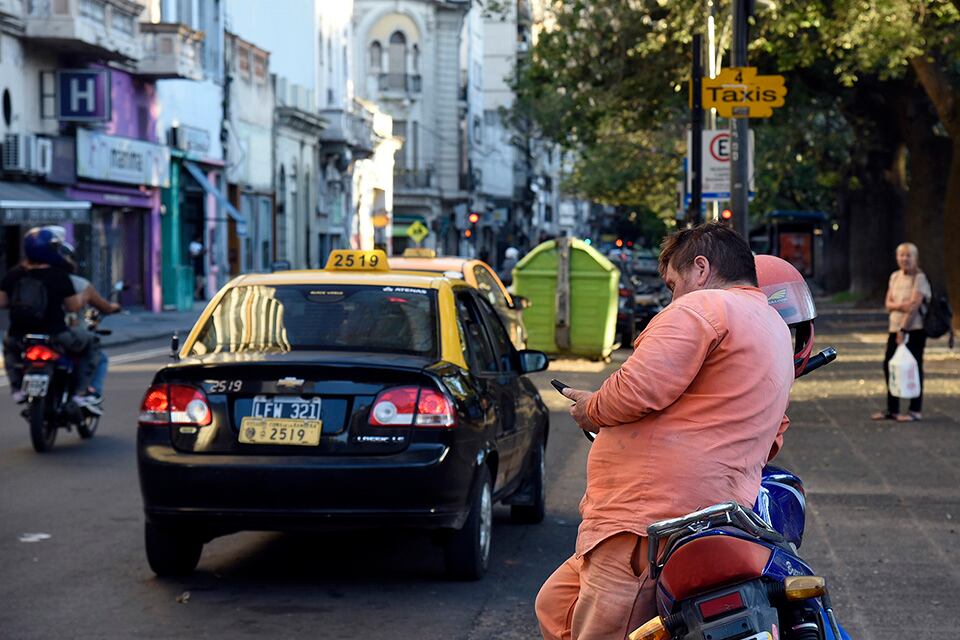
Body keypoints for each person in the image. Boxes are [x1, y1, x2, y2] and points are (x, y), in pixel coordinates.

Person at [534, 224, 795, 640]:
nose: (672, 297)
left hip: (647, 518)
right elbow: (773, 436)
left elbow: (637, 389)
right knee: (556, 604)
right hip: (702, 514)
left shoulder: (702, 307)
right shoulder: (775, 328)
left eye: (674, 283)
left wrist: (591, 409)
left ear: (701, 268)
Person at [0, 226, 95, 407]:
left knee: (8, 348)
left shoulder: (14, 274)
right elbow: (73, 306)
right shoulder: (58, 274)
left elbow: (2, 302)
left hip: (20, 336)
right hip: (56, 335)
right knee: (91, 343)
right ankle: (81, 392)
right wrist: (83, 297)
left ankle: (16, 388)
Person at [872, 242, 931, 423]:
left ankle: (915, 410)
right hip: (894, 328)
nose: (904, 259)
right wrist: (900, 306)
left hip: (914, 330)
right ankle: (893, 409)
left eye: (908, 255)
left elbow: (914, 306)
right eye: (901, 255)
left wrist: (904, 329)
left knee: (914, 368)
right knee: (890, 366)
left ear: (915, 258)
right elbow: (888, 303)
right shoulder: (895, 276)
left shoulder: (919, 278)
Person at [63, 251, 121, 402]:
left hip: (44, 334)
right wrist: (113, 307)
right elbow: (105, 307)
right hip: (69, 335)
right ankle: (86, 392)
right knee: (98, 354)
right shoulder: (80, 284)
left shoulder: (37, 280)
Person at [189, 235, 205, 300]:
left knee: (202, 283)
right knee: (198, 283)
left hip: (201, 267)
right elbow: (192, 255)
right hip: (196, 267)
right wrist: (200, 252)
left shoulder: (200, 246)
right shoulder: (193, 245)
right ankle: (195, 294)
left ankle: (196, 294)